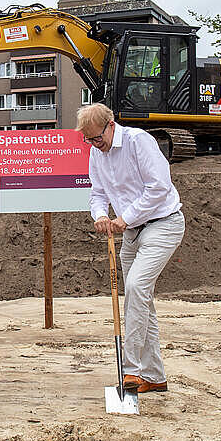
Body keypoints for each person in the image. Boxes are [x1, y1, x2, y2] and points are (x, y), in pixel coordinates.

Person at [77, 103, 184, 393]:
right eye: (88, 140)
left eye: (97, 138)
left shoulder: (139, 142)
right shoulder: (96, 153)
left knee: (136, 287)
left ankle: (132, 370)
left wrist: (126, 217)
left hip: (164, 223)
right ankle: (154, 375)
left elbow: (159, 187)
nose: (94, 145)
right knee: (141, 300)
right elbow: (97, 192)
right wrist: (100, 215)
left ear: (110, 125)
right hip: (132, 233)